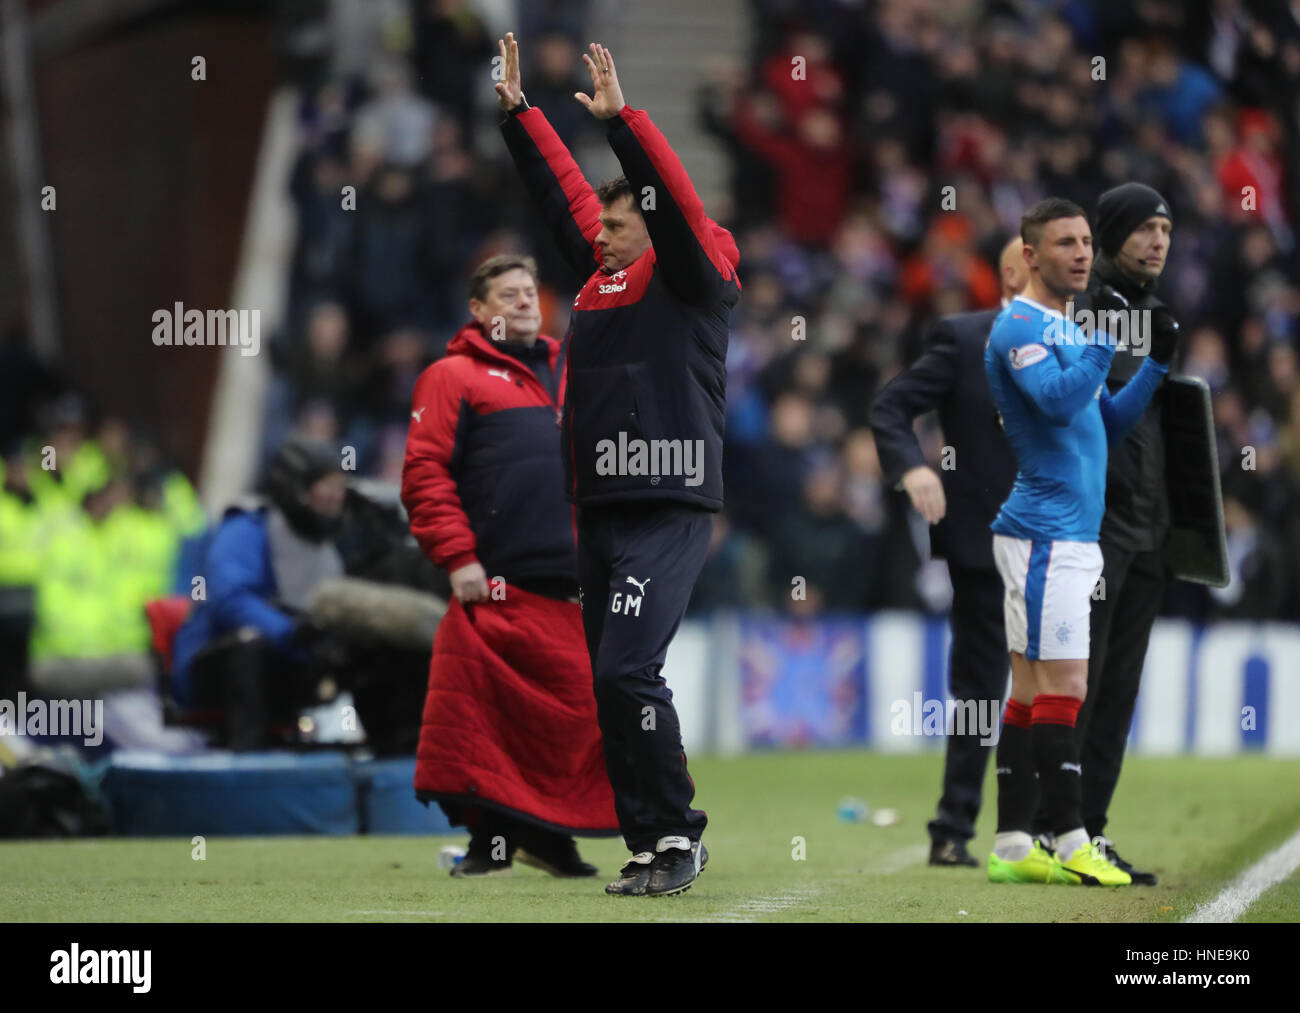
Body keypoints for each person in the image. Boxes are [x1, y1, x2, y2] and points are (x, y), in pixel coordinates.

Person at [495, 33, 741, 896]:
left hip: (667, 500)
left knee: (625, 669)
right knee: (611, 683)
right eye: (601, 225)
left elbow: (671, 202)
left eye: (618, 222)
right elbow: (565, 198)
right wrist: (522, 116)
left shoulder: (692, 276)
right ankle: (647, 840)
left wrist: (624, 125)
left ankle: (679, 833)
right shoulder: (601, 282)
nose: (598, 236)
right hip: (599, 503)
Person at [401, 253, 617, 879]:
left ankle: (544, 837)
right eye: (508, 295)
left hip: (574, 586)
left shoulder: (573, 372)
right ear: (478, 310)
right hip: (494, 583)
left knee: (575, 718)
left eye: (530, 292)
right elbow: (424, 473)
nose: (525, 302)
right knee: (484, 724)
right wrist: (458, 556)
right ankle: (490, 845)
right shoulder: (451, 376)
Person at [983, 197, 1178, 886]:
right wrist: (1102, 339)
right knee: (1067, 686)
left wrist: (1154, 365)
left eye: (1088, 242)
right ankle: (1071, 840)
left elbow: (1103, 424)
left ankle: (1012, 843)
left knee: (1032, 693)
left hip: (1065, 535)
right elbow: (1061, 400)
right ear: (1031, 255)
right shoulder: (1017, 327)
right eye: (1066, 242)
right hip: (1044, 534)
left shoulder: (1065, 326)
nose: (1082, 254)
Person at [869, 237, 1026, 867]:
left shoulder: (1086, 340)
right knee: (981, 691)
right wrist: (913, 469)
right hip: (983, 543)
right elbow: (891, 405)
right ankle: (953, 826)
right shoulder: (964, 339)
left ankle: (1061, 825)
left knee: (1064, 685)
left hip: (1063, 545)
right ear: (1017, 268)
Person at [171, 437, 346, 749]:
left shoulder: (329, 547)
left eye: (339, 489)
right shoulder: (247, 528)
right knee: (250, 646)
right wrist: (292, 632)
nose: (335, 499)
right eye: (326, 488)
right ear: (297, 488)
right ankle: (246, 755)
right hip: (217, 665)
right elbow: (229, 599)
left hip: (290, 664)